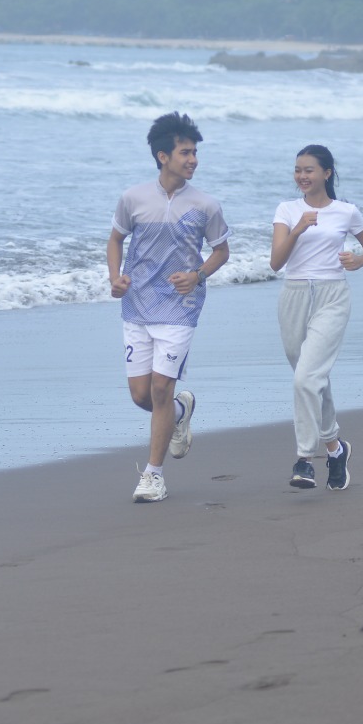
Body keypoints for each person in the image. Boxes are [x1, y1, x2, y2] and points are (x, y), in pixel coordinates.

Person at [108, 112, 230, 503]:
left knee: (161, 388)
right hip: (137, 305)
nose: (193, 160)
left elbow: (221, 251)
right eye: (185, 153)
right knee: (142, 397)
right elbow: (115, 241)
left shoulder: (206, 205)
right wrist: (115, 277)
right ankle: (180, 412)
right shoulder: (133, 198)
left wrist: (197, 274)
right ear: (163, 156)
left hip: (181, 306)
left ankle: (153, 475)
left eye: (195, 153)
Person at [269, 144, 363, 490]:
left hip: (332, 297)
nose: (302, 176)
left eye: (309, 170)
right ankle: (335, 447)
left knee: (306, 379)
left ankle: (304, 460)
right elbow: (276, 262)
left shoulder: (346, 211)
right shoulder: (287, 210)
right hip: (294, 296)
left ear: (326, 174)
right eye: (298, 170)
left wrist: (358, 261)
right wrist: (298, 228)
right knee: (313, 379)